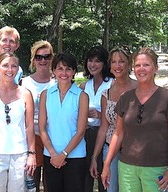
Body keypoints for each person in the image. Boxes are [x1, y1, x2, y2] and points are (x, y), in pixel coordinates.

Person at [101, 47, 168, 192]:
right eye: (138, 65)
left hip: (157, 168)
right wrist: (106, 165)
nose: (141, 69)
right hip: (127, 168)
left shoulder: (165, 97)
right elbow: (118, 134)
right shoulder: (125, 98)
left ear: (155, 68)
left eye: (146, 65)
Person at [0, 52, 36, 192]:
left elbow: (29, 126)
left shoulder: (25, 94)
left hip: (20, 154)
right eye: (5, 65)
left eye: (14, 66)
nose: (9, 70)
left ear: (18, 69)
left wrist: (32, 154)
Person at [89, 47, 138, 192]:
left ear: (129, 64)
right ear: (109, 66)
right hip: (111, 149)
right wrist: (94, 156)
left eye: (121, 62)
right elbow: (104, 128)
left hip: (133, 150)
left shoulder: (139, 88)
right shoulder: (107, 94)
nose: (117, 66)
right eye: (114, 62)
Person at [39, 53, 89, 192]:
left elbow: (81, 131)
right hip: (51, 156)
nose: (64, 73)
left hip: (75, 156)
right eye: (60, 68)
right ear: (53, 71)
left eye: (68, 69)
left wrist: (64, 154)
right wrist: (54, 154)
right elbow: (42, 128)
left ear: (73, 71)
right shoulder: (45, 95)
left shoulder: (82, 96)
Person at [21, 40, 56, 192]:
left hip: (53, 137)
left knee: (51, 180)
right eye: (39, 57)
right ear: (33, 60)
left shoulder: (57, 82)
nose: (43, 60)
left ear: (52, 59)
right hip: (31, 137)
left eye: (47, 57)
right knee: (32, 181)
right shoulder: (24, 82)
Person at [79, 45, 114, 192]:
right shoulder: (83, 85)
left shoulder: (112, 83)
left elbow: (119, 112)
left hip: (106, 137)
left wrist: (101, 115)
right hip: (85, 135)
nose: (92, 64)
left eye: (97, 61)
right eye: (90, 60)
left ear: (105, 63)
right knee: (84, 177)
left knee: (104, 177)